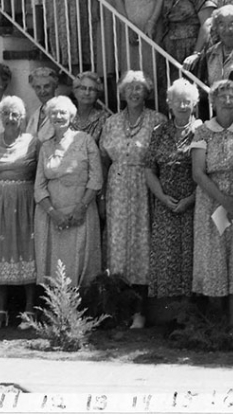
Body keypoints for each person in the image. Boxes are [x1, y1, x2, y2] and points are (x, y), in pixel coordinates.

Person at [190, 80, 233, 347]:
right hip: (211, 203)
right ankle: (217, 326)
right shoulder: (203, 131)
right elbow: (197, 173)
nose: (227, 101)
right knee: (214, 263)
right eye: (222, 97)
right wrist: (224, 201)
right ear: (213, 102)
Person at [100, 71, 167, 328]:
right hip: (117, 187)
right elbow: (104, 159)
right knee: (117, 248)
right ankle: (117, 311)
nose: (134, 92)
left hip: (144, 187)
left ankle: (140, 312)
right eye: (130, 88)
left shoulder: (156, 120)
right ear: (122, 93)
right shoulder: (112, 122)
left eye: (139, 88)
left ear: (147, 93)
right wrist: (103, 196)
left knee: (142, 247)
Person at [0, 95, 39, 328]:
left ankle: (29, 310)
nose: (10, 118)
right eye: (6, 114)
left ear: (22, 117)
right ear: (0, 118)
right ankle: (1, 310)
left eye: (15, 114)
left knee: (26, 250)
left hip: (25, 205)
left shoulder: (33, 143)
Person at [34, 95, 104, 287]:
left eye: (62, 112)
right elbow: (39, 186)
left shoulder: (85, 140)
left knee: (80, 263)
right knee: (55, 267)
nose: (58, 116)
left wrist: (81, 208)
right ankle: (58, 312)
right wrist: (53, 213)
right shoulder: (46, 146)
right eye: (54, 113)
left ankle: (81, 313)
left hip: (81, 213)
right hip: (52, 216)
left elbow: (96, 179)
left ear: (71, 116)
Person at [146, 79, 201, 307]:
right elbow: (149, 170)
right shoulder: (160, 131)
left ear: (194, 104)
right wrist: (163, 198)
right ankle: (173, 315)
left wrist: (190, 200)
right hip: (165, 205)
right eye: (177, 101)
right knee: (168, 257)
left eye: (187, 102)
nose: (182, 106)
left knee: (190, 256)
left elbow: (208, 172)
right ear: (169, 103)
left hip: (193, 204)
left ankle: (190, 314)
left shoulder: (202, 131)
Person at [195, 5, 233, 84]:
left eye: (231, 24)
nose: (227, 30)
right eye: (222, 25)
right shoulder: (210, 53)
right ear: (217, 28)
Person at [70, 71, 112, 145]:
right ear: (75, 91)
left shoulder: (104, 118)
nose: (87, 93)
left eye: (92, 89)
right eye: (83, 88)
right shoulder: (65, 116)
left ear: (97, 94)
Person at [25, 67, 59, 139]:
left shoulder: (62, 112)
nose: (42, 91)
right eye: (38, 87)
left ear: (55, 86)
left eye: (46, 86)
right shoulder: (35, 114)